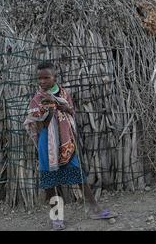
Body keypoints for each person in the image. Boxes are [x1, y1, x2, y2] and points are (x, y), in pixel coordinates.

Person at [24, 61, 116, 230]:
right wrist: (48, 109)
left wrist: (57, 104)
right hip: (48, 143)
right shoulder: (37, 98)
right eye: (40, 78)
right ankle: (56, 217)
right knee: (49, 180)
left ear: (54, 77)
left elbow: (71, 111)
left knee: (77, 174)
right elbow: (36, 122)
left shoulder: (64, 93)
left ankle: (95, 209)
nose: (42, 81)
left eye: (46, 77)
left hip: (66, 140)